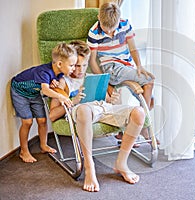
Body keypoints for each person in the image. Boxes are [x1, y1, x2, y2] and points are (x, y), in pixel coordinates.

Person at [49, 40, 144, 192]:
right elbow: (53, 115)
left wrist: (110, 99)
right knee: (84, 110)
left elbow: (105, 100)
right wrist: (73, 101)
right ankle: (89, 167)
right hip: (81, 111)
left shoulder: (92, 78)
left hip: (102, 108)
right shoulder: (62, 82)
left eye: (84, 65)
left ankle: (122, 163)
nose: (80, 70)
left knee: (139, 112)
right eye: (76, 66)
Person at [87, 2, 158, 143]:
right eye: (105, 28)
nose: (108, 32)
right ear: (98, 18)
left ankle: (128, 130)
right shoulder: (94, 32)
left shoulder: (125, 25)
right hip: (111, 67)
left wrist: (139, 66)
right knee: (149, 81)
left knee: (150, 99)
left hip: (126, 66)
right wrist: (105, 81)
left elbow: (133, 48)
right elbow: (92, 61)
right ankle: (144, 126)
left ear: (118, 21)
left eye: (111, 29)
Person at [10, 43, 77, 163]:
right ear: (60, 64)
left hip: (34, 94)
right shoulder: (44, 71)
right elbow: (45, 90)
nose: (74, 68)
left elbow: (52, 84)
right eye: (72, 65)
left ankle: (43, 145)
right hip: (20, 93)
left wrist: (54, 83)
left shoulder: (59, 73)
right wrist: (61, 97)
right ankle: (23, 151)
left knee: (42, 120)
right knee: (27, 122)